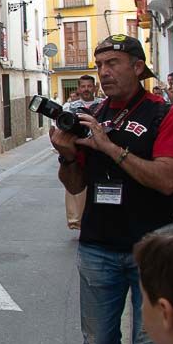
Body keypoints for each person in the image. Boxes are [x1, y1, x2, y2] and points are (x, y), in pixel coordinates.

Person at [50, 34, 173, 344]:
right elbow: (74, 186)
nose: (104, 72)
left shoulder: (165, 113)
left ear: (138, 67)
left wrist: (110, 148)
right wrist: (67, 154)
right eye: (100, 65)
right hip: (98, 245)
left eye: (113, 63)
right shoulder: (91, 115)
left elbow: (166, 181)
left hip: (152, 248)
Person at [63, 75, 103, 230]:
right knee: (74, 182)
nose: (86, 89)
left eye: (89, 86)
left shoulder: (103, 105)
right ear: (79, 89)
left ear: (94, 88)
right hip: (78, 150)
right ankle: (75, 220)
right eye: (83, 86)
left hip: (98, 150)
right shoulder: (70, 107)